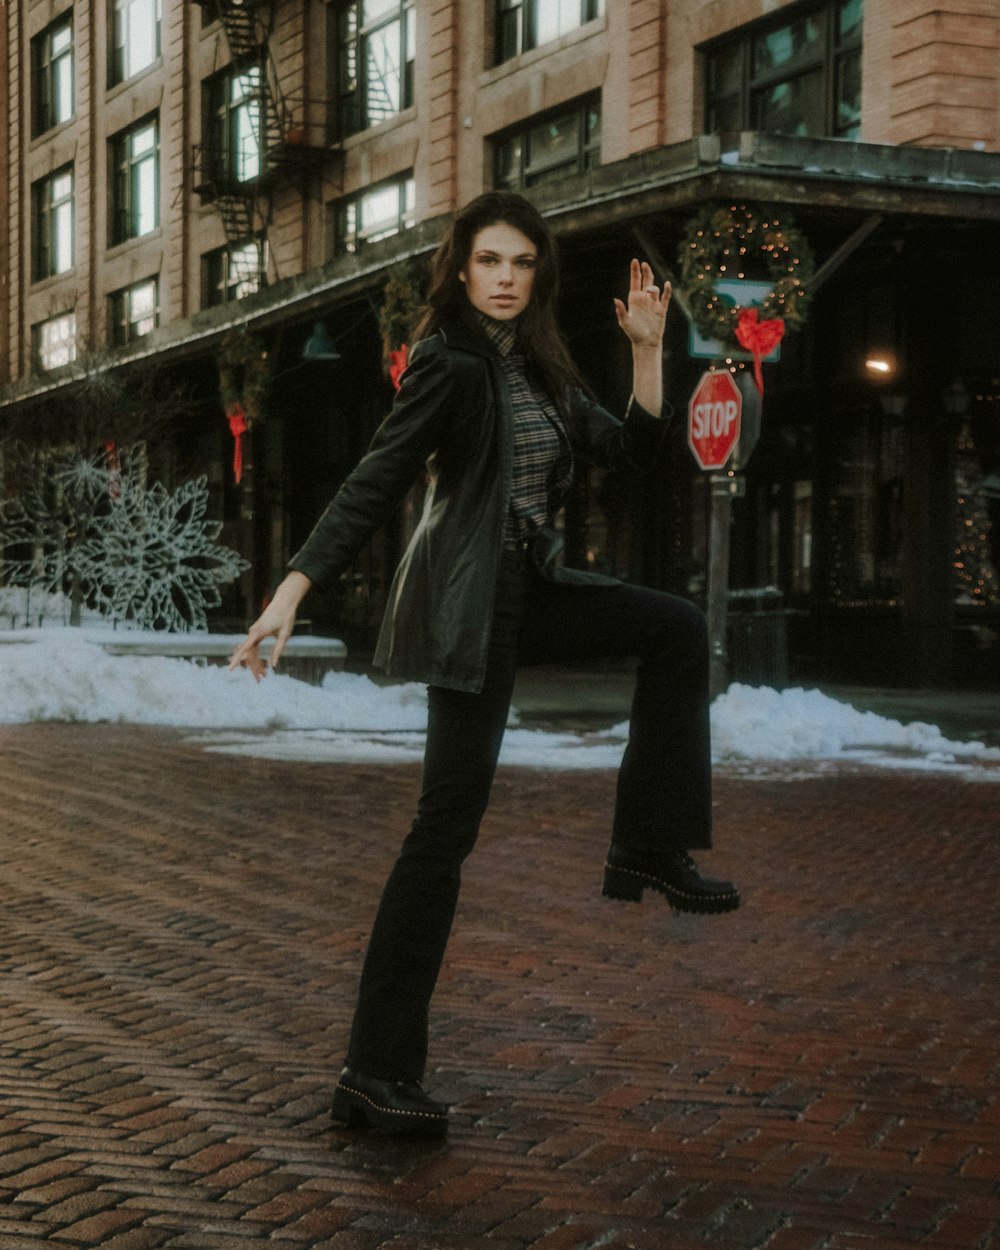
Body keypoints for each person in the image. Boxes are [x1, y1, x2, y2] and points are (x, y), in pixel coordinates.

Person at [229, 191, 739, 1141]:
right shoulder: (450, 361)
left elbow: (632, 455)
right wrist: (290, 594)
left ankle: (648, 844)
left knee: (672, 629)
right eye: (490, 262)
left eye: (522, 263)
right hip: (473, 609)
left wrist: (643, 350)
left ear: (539, 275)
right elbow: (373, 480)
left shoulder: (539, 366)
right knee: (441, 836)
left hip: (532, 587)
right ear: (461, 269)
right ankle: (373, 1074)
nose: (506, 279)